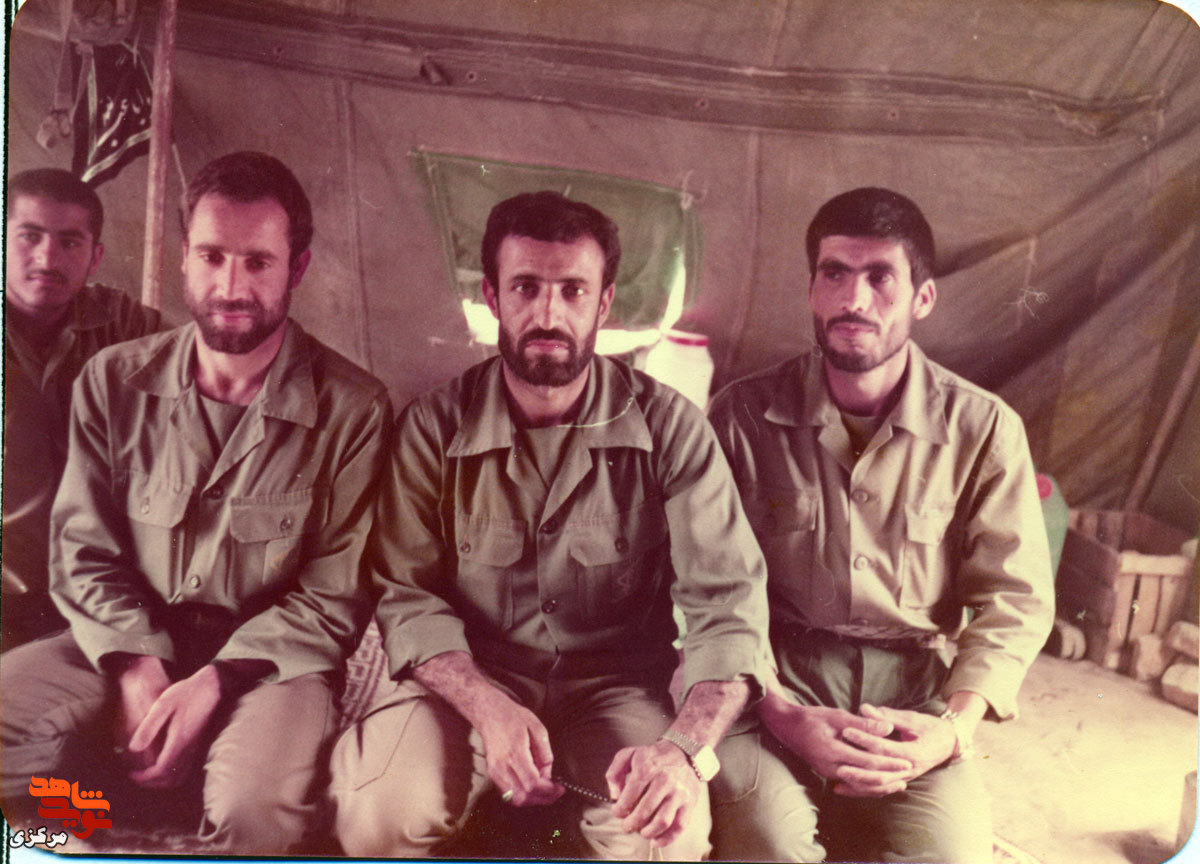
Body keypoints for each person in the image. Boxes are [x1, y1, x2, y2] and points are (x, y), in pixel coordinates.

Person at [329, 190, 769, 859]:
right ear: (492, 297)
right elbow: (405, 596)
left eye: (573, 291)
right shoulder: (433, 428)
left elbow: (728, 608)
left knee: (667, 843)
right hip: (472, 679)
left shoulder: (672, 429)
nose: (548, 314)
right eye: (526, 287)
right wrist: (487, 707)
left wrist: (681, 750)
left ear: (604, 303)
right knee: (377, 819)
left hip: (616, 689)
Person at [0, 152, 392, 854]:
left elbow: (334, 595)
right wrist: (135, 663)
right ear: (184, 257)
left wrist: (215, 679)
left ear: (297, 268)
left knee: (254, 810)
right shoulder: (113, 380)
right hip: (127, 635)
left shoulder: (353, 407)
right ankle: (87, 831)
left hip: (271, 664)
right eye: (211, 256)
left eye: (258, 262)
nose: (230, 286)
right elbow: (83, 550)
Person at [706, 187, 1055, 863]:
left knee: (949, 857)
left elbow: (1015, 600)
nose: (854, 300)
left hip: (915, 697)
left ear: (922, 297)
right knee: (768, 843)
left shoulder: (982, 428)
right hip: (770, 681)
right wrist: (782, 713)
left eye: (879, 278)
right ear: (812, 288)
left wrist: (951, 731)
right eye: (835, 274)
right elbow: (706, 585)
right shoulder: (741, 415)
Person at [2, 168, 163, 650]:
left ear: (95, 258)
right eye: (29, 236)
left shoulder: (125, 324)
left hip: (103, 591)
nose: (47, 258)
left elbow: (213, 369)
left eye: (69, 242)